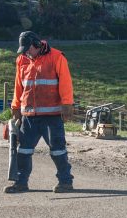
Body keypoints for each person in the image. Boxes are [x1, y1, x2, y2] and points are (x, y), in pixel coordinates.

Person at [4, 31, 75, 193]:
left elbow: (66, 82)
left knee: (58, 150)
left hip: (52, 116)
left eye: (28, 49)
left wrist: (67, 104)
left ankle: (65, 182)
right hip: (29, 116)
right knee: (23, 150)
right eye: (23, 50)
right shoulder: (21, 60)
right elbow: (18, 86)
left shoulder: (57, 57)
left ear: (37, 44)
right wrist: (15, 108)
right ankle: (21, 182)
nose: (26, 53)